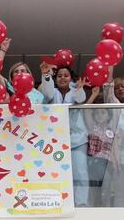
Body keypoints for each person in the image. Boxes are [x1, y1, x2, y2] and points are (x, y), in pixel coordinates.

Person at [39, 63, 89, 206]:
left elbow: (80, 99)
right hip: (55, 141)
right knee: (57, 172)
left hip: (77, 139)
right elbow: (47, 92)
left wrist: (79, 87)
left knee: (80, 172)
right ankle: (60, 203)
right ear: (55, 79)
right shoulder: (52, 92)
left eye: (66, 76)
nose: (62, 78)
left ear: (71, 78)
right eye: (59, 76)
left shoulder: (76, 90)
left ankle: (81, 204)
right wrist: (46, 75)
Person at [84, 86, 119, 206]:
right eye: (97, 112)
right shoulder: (92, 127)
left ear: (108, 115)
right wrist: (93, 96)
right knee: (96, 189)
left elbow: (113, 148)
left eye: (103, 112)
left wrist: (116, 162)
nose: (100, 115)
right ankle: (95, 208)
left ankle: (105, 209)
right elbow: (86, 110)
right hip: (95, 161)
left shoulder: (111, 130)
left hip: (108, 163)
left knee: (107, 188)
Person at [0, 38, 45, 104]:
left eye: (23, 70)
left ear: (28, 74)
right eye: (16, 71)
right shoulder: (9, 88)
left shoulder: (38, 95)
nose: (19, 73)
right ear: (12, 76)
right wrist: (3, 50)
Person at [103, 66, 124, 206]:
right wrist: (110, 65)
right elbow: (108, 87)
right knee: (119, 190)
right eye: (118, 88)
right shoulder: (114, 104)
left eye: (123, 86)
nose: (120, 89)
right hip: (117, 154)